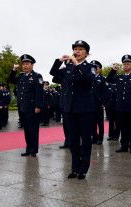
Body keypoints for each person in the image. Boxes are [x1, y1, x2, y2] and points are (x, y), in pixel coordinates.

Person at [50, 40, 95, 179]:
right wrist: (59, 61)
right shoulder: (67, 68)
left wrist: (76, 63)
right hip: (69, 109)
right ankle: (75, 167)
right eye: (75, 49)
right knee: (73, 140)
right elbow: (53, 74)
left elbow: (87, 78)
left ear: (86, 53)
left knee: (86, 140)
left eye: (81, 49)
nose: (77, 51)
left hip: (85, 110)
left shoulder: (90, 67)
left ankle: (83, 169)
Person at [9, 54, 44, 157]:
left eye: (27, 64)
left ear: (32, 65)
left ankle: (34, 150)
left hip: (33, 107)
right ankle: (28, 149)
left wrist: (38, 106)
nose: (25, 66)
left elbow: (39, 92)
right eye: (23, 64)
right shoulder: (21, 76)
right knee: (26, 129)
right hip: (22, 107)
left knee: (33, 129)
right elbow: (11, 80)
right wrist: (14, 70)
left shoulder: (37, 76)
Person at [107, 55, 131, 154]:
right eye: (124, 64)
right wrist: (113, 70)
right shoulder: (119, 77)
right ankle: (124, 145)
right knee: (122, 127)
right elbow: (108, 80)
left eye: (128, 64)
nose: (126, 65)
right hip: (120, 107)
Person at [90, 60, 108, 145]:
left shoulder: (102, 79)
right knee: (92, 122)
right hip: (90, 103)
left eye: (96, 67)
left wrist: (103, 102)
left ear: (99, 69)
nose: (94, 68)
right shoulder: (89, 77)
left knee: (100, 122)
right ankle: (94, 137)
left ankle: (100, 138)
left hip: (99, 104)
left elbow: (105, 92)